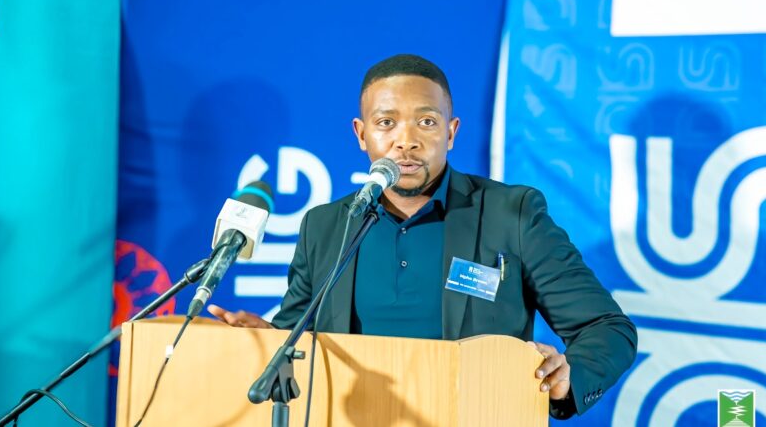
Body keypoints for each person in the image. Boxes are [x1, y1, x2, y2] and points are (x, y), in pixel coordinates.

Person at [208, 54, 637, 419]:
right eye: (386, 122)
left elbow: (608, 328)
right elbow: (297, 339)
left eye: (426, 122)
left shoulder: (511, 214)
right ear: (361, 134)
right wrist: (266, 338)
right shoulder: (325, 226)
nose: (406, 141)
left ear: (450, 132)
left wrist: (569, 377)